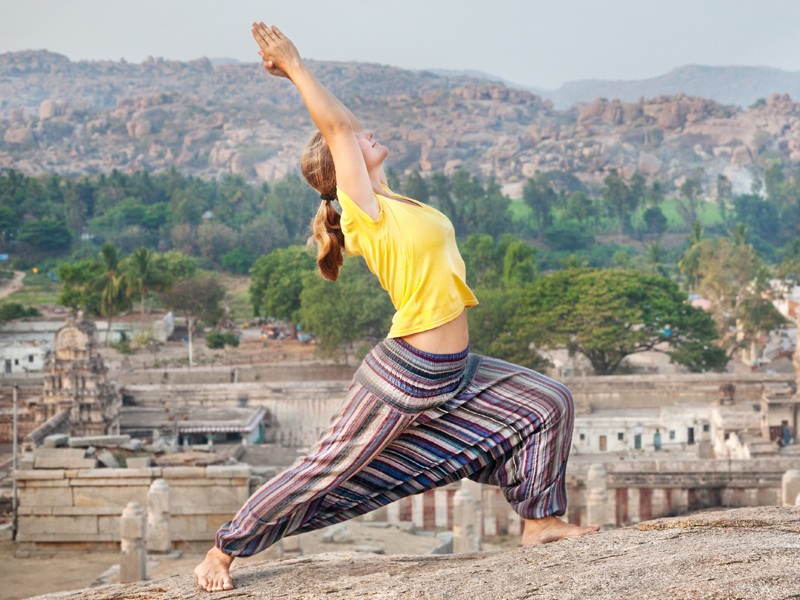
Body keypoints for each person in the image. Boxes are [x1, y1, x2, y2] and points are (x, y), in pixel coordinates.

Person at [194, 22, 598, 593]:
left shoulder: (391, 201)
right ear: (342, 170)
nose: (364, 132)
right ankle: (223, 550)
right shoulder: (364, 213)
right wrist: (295, 66)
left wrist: (317, 93)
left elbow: (346, 126)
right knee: (328, 468)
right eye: (353, 141)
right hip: (409, 371)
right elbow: (335, 127)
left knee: (547, 402)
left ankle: (540, 523)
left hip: (455, 369)